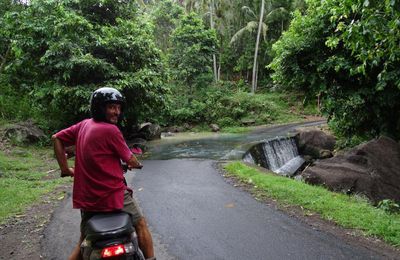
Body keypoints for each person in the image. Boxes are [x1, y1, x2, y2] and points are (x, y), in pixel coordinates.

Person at [52, 87, 155, 260]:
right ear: (100, 108)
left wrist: (65, 169)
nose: (117, 112)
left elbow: (57, 138)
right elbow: (130, 159)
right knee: (141, 224)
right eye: (112, 107)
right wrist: (138, 165)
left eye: (118, 107)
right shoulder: (111, 130)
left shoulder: (83, 125)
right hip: (111, 194)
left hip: (87, 198)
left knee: (84, 240)